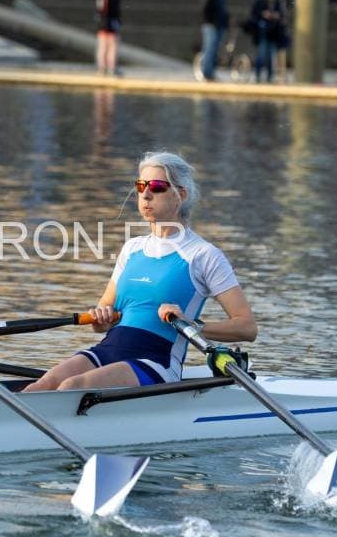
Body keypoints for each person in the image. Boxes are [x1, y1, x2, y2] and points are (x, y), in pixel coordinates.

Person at [24, 151, 257, 393]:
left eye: (157, 187)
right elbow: (101, 324)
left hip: (156, 361)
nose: (145, 194)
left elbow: (247, 327)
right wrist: (101, 317)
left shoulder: (203, 255)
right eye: (141, 186)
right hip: (108, 350)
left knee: (72, 386)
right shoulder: (131, 248)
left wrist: (192, 325)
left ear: (181, 195)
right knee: (41, 386)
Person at [250, 0, 285, 83]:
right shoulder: (260, 2)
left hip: (274, 33)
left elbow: (282, 16)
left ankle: (270, 76)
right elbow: (254, 15)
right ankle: (258, 75)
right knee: (261, 54)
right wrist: (263, 15)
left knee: (271, 56)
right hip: (263, 32)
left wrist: (276, 16)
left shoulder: (278, 3)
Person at [200, 0, 228, 81]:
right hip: (210, 26)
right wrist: (212, 22)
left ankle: (211, 73)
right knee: (209, 49)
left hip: (219, 25)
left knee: (215, 50)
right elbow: (205, 10)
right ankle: (206, 73)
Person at [95, 0, 121, 75]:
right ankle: (106, 68)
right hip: (107, 23)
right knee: (107, 46)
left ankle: (105, 67)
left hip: (106, 23)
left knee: (106, 46)